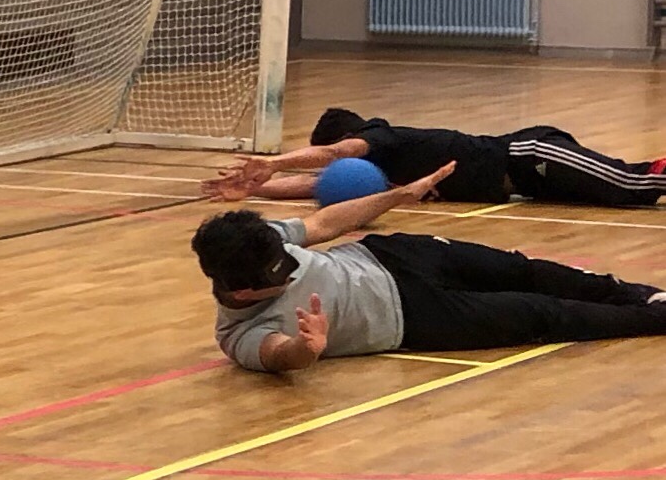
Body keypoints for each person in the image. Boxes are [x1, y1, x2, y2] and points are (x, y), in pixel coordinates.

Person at [194, 166, 666, 373]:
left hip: (392, 255)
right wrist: (306, 347)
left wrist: (397, 195)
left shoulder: (259, 242)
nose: (292, 273)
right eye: (281, 278)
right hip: (416, 318)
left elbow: (322, 223)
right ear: (242, 292)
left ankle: (637, 293)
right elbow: (279, 356)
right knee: (539, 313)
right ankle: (655, 318)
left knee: (525, 270)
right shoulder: (243, 337)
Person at [206, 106, 666, 209]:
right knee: (628, 194)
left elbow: (334, 154)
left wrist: (274, 163)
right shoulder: (374, 175)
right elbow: (316, 187)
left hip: (528, 155)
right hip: (529, 185)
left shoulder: (381, 139)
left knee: (634, 184)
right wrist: (255, 189)